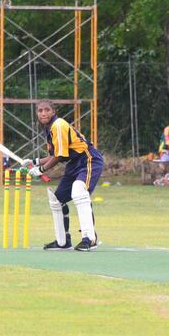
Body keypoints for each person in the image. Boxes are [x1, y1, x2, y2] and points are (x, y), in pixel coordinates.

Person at [26, 100, 105, 251]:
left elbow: (60, 156)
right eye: (40, 110)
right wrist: (34, 162)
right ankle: (63, 242)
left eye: (47, 110)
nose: (43, 113)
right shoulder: (49, 129)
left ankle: (89, 238)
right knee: (57, 200)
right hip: (74, 163)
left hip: (88, 159)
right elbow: (54, 155)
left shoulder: (59, 125)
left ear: (53, 111)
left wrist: (41, 169)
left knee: (78, 191)